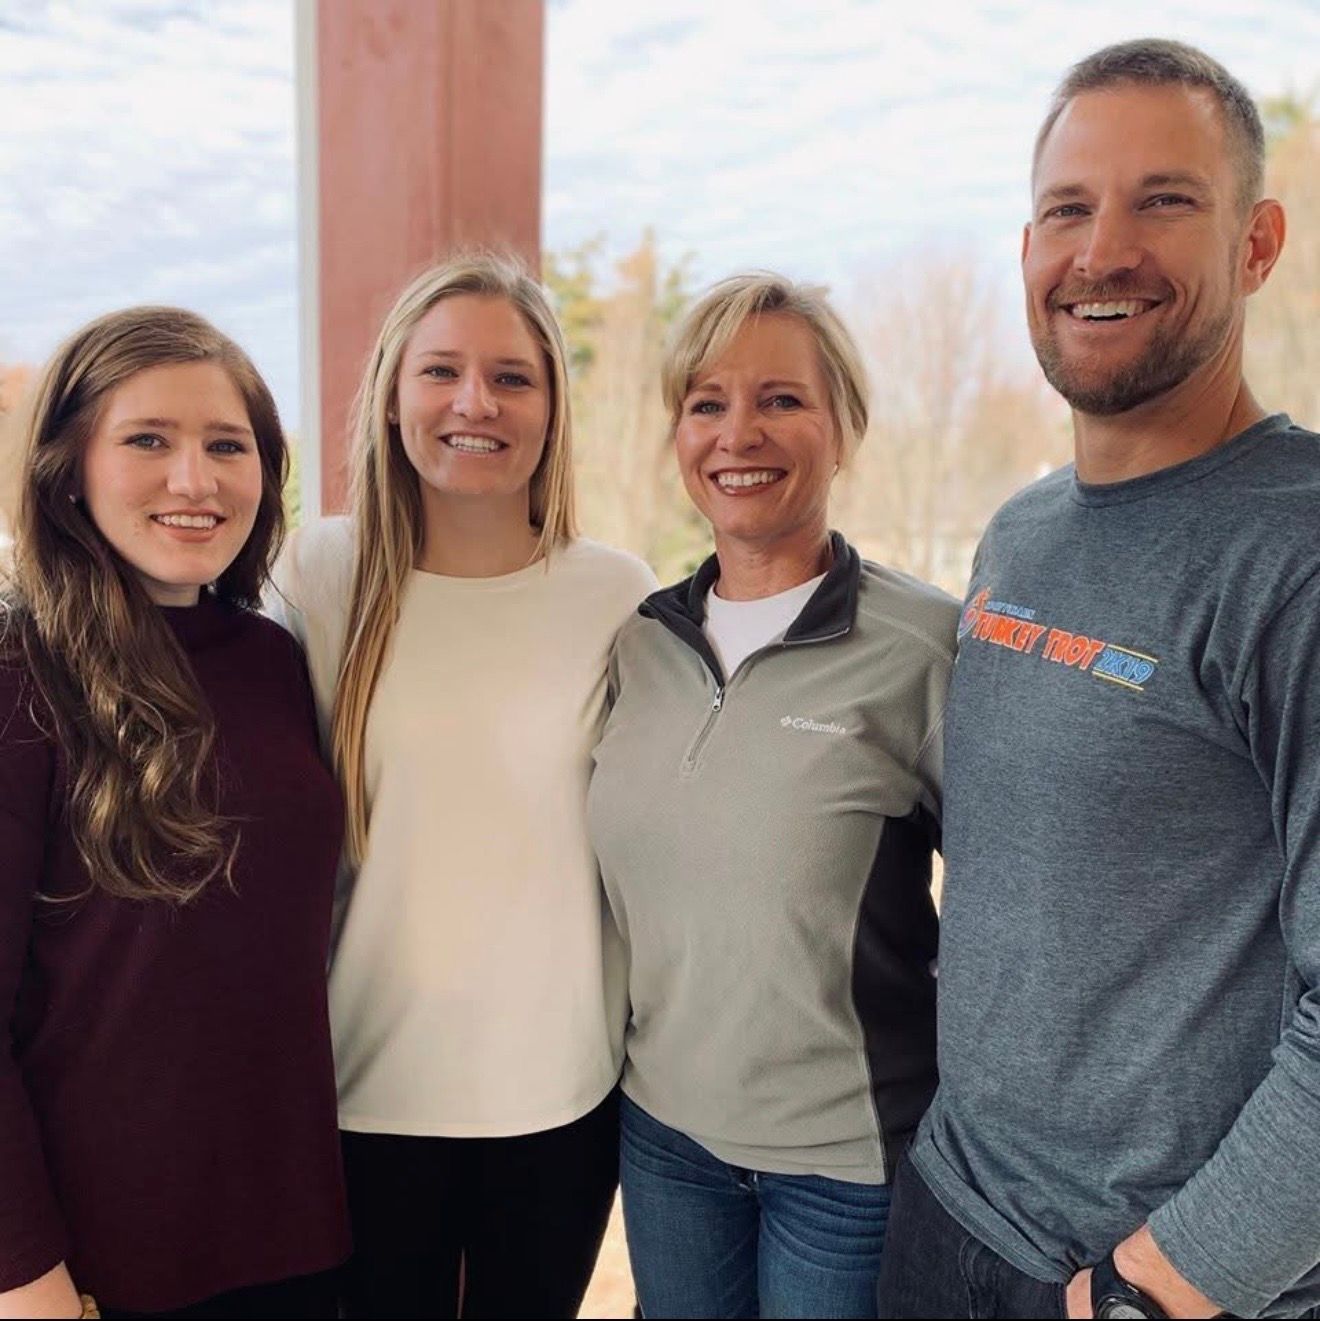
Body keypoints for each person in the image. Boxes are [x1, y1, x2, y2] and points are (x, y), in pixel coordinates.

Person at [877, 38, 1320, 1321]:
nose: (1103, 248)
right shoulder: (1020, 532)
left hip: (1145, 1281)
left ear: (1257, 243)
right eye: (1069, 209)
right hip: (948, 1215)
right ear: (1027, 252)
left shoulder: (1292, 554)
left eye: (1164, 201)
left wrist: (1155, 1288)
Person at [268, 253, 656, 1320]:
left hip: (560, 1092)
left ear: (552, 406)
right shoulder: (318, 574)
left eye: (512, 376)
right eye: (441, 371)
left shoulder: (616, 594)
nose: (474, 402)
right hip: (362, 1088)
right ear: (393, 395)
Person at [587, 273, 959, 1319]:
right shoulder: (641, 642)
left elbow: (1009, 905)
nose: (737, 432)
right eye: (706, 403)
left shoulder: (924, 645)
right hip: (665, 1141)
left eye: (781, 399)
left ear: (842, 427)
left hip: (847, 1162)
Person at [0, 307, 349, 1320]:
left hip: (292, 1235)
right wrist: (28, 1281)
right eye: (148, 439)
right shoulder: (20, 680)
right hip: (95, 1266)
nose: (194, 480)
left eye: (226, 445)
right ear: (69, 466)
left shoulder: (272, 660)